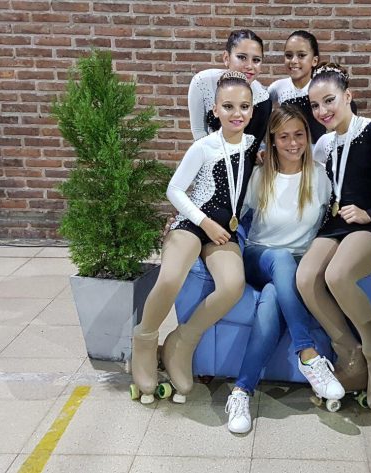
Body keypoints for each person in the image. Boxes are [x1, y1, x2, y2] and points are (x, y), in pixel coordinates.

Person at [131, 71, 257, 404]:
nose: (237, 113)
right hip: (192, 222)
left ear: (252, 109)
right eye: (228, 106)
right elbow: (174, 190)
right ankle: (144, 339)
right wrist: (204, 222)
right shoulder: (204, 147)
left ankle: (182, 341)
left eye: (244, 106)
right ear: (215, 109)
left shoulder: (253, 146)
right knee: (171, 277)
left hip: (224, 230)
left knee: (233, 285)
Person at [296, 63, 371, 411]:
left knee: (337, 275)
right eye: (315, 105)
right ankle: (351, 355)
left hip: (368, 226)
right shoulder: (324, 144)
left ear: (347, 96)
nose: (322, 111)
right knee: (305, 278)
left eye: (329, 100)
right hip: (334, 224)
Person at [224, 103, 344, 434]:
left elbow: (337, 220)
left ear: (307, 136)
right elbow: (229, 215)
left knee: (273, 296)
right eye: (284, 137)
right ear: (273, 141)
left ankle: (241, 391)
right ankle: (308, 353)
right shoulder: (260, 176)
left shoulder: (320, 177)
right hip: (259, 256)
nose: (293, 143)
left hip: (298, 264)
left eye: (299, 135)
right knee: (279, 259)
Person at [267, 30, 358, 145]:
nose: (293, 61)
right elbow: (263, 110)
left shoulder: (322, 87)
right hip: (293, 149)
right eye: (289, 55)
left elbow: (348, 109)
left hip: (321, 149)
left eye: (301, 55)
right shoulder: (277, 87)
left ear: (314, 60)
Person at [188, 29, 272, 151]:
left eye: (256, 60)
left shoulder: (263, 99)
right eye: (242, 57)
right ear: (226, 58)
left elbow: (257, 144)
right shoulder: (203, 82)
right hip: (208, 155)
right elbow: (199, 131)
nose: (249, 66)